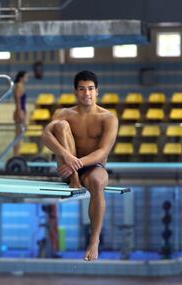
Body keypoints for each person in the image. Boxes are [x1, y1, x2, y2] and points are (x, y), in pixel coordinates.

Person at [42, 70, 118, 261]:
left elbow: (103, 152)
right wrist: (67, 156)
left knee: (98, 182)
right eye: (82, 89)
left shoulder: (108, 118)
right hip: (68, 166)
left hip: (93, 165)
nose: (87, 93)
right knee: (60, 126)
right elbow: (45, 135)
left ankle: (94, 240)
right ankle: (74, 179)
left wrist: (78, 163)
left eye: (91, 89)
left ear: (97, 91)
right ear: (75, 92)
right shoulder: (64, 113)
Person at [13, 71, 28, 155]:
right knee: (17, 136)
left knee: (19, 136)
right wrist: (20, 113)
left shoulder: (20, 86)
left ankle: (16, 154)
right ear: (21, 77)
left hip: (21, 111)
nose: (27, 78)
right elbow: (18, 101)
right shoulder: (19, 86)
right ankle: (15, 155)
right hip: (19, 112)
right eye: (26, 77)